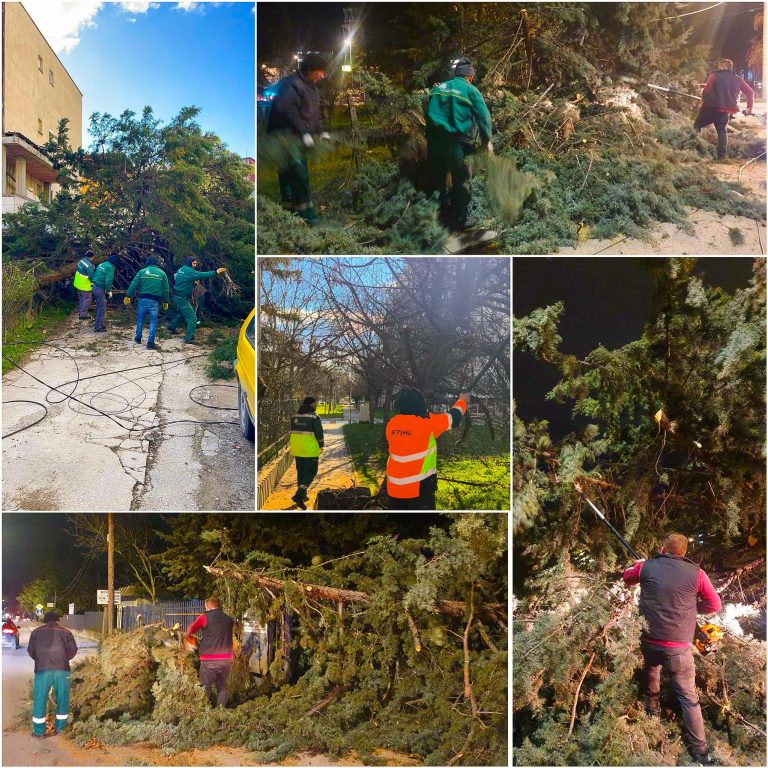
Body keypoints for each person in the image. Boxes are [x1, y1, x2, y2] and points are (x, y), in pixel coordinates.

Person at [623, 533, 721, 766]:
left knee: (652, 672)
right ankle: (700, 751)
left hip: (650, 641)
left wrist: (637, 566)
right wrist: (693, 607)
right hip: (678, 648)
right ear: (684, 553)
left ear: (662, 548)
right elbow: (715, 604)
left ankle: (652, 712)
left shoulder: (647, 567)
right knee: (688, 697)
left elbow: (626, 577)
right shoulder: (697, 573)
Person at [426, 57, 492, 230]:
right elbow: (484, 117)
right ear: (469, 77)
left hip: (434, 142)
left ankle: (440, 215)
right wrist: (486, 141)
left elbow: (429, 112)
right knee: (462, 180)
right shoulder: (471, 90)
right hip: (457, 143)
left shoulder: (438, 88)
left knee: (438, 178)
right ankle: (460, 219)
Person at [266, 53, 331, 224]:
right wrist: (304, 133)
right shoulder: (291, 85)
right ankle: (304, 216)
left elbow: (314, 114)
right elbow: (288, 112)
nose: (323, 75)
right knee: (296, 174)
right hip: (285, 139)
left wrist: (321, 131)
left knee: (293, 174)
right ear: (310, 71)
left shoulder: (312, 89)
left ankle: (292, 214)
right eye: (320, 71)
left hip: (297, 138)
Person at [385, 389, 469, 510]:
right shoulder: (427, 425)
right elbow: (454, 417)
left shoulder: (391, 424)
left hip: (394, 490)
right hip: (418, 491)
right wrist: (462, 401)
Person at [27, 610, 78, 738]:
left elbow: (31, 651)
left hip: (42, 670)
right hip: (62, 670)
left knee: (40, 699)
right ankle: (60, 729)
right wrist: (63, 659)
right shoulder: (66, 632)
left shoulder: (36, 632)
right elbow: (73, 650)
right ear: (57, 620)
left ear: (45, 620)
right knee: (62, 698)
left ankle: (39, 732)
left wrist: (41, 659)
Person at [694, 58, 754, 160]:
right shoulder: (738, 79)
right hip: (726, 110)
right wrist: (749, 108)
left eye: (719, 66)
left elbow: (706, 90)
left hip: (711, 108)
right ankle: (722, 156)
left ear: (722, 66)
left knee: (697, 125)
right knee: (722, 131)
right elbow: (750, 92)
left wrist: (702, 100)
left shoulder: (714, 75)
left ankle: (694, 149)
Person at [184, 597, 234, 707]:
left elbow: (191, 628)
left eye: (205, 606)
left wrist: (187, 637)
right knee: (222, 687)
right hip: (226, 659)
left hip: (209, 659)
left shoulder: (204, 617)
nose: (205, 608)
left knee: (205, 687)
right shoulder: (229, 619)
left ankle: (204, 713)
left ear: (209, 606)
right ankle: (221, 711)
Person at [167, 258, 226, 344]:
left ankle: (170, 327)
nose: (195, 265)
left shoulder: (182, 269)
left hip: (178, 296)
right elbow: (202, 275)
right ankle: (188, 338)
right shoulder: (189, 271)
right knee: (192, 318)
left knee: (183, 314)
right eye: (194, 263)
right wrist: (215, 272)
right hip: (182, 298)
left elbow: (177, 278)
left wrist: (190, 282)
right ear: (189, 263)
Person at [124, 255, 170, 351]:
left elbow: (134, 284)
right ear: (157, 263)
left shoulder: (142, 272)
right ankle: (150, 343)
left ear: (148, 262)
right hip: (154, 301)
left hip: (142, 299)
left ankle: (138, 338)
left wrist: (128, 295)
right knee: (153, 321)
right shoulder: (162, 273)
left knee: (140, 318)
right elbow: (166, 289)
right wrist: (166, 301)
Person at [289, 396, 324, 509]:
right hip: (310, 449)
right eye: (315, 404)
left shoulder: (294, 416)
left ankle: (303, 495)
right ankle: (299, 495)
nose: (316, 406)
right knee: (312, 471)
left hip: (297, 449)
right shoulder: (314, 417)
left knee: (302, 472)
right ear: (311, 405)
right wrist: (321, 444)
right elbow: (319, 433)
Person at [91, 252, 119, 333]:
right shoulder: (110, 267)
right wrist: (109, 291)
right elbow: (108, 281)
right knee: (102, 308)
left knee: (99, 306)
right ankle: (97, 327)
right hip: (100, 288)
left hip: (94, 286)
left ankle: (99, 323)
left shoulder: (102, 264)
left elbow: (95, 274)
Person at [73, 249, 96, 320]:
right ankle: (83, 315)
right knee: (87, 300)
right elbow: (92, 277)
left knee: (81, 299)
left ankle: (81, 312)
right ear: (92, 257)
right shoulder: (89, 266)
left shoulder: (81, 261)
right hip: (84, 286)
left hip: (77, 283)